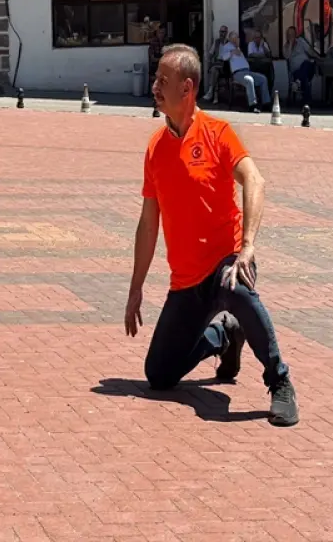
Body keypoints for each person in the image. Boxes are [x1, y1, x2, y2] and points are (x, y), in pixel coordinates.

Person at [127, 43, 298, 426]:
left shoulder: (218, 134)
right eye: (156, 79)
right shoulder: (155, 148)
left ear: (186, 88)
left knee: (237, 288)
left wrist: (247, 248)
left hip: (226, 262)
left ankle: (279, 380)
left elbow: (254, 180)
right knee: (159, 375)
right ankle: (223, 336)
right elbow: (148, 223)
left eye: (163, 81)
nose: (155, 87)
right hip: (186, 282)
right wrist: (136, 287)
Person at [220, 31, 269, 113]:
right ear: (230, 39)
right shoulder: (227, 47)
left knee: (263, 78)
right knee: (249, 80)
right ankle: (252, 105)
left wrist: (237, 47)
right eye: (234, 38)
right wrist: (232, 52)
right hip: (237, 73)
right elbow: (224, 57)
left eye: (236, 38)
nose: (235, 40)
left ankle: (266, 103)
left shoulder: (238, 47)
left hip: (247, 71)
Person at [284, 25, 317, 104]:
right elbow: (287, 56)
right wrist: (290, 44)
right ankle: (307, 100)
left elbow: (310, 51)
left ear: (295, 35)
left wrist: (319, 57)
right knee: (304, 77)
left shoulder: (301, 41)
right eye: (289, 34)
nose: (291, 36)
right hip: (296, 72)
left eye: (292, 34)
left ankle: (298, 81)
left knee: (305, 64)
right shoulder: (286, 46)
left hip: (308, 68)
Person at [203, 25, 229, 102]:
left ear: (226, 33)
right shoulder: (216, 42)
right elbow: (211, 53)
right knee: (215, 71)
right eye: (220, 31)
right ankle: (214, 95)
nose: (221, 33)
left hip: (225, 64)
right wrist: (207, 57)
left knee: (214, 68)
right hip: (218, 63)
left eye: (223, 32)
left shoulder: (229, 43)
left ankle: (212, 92)